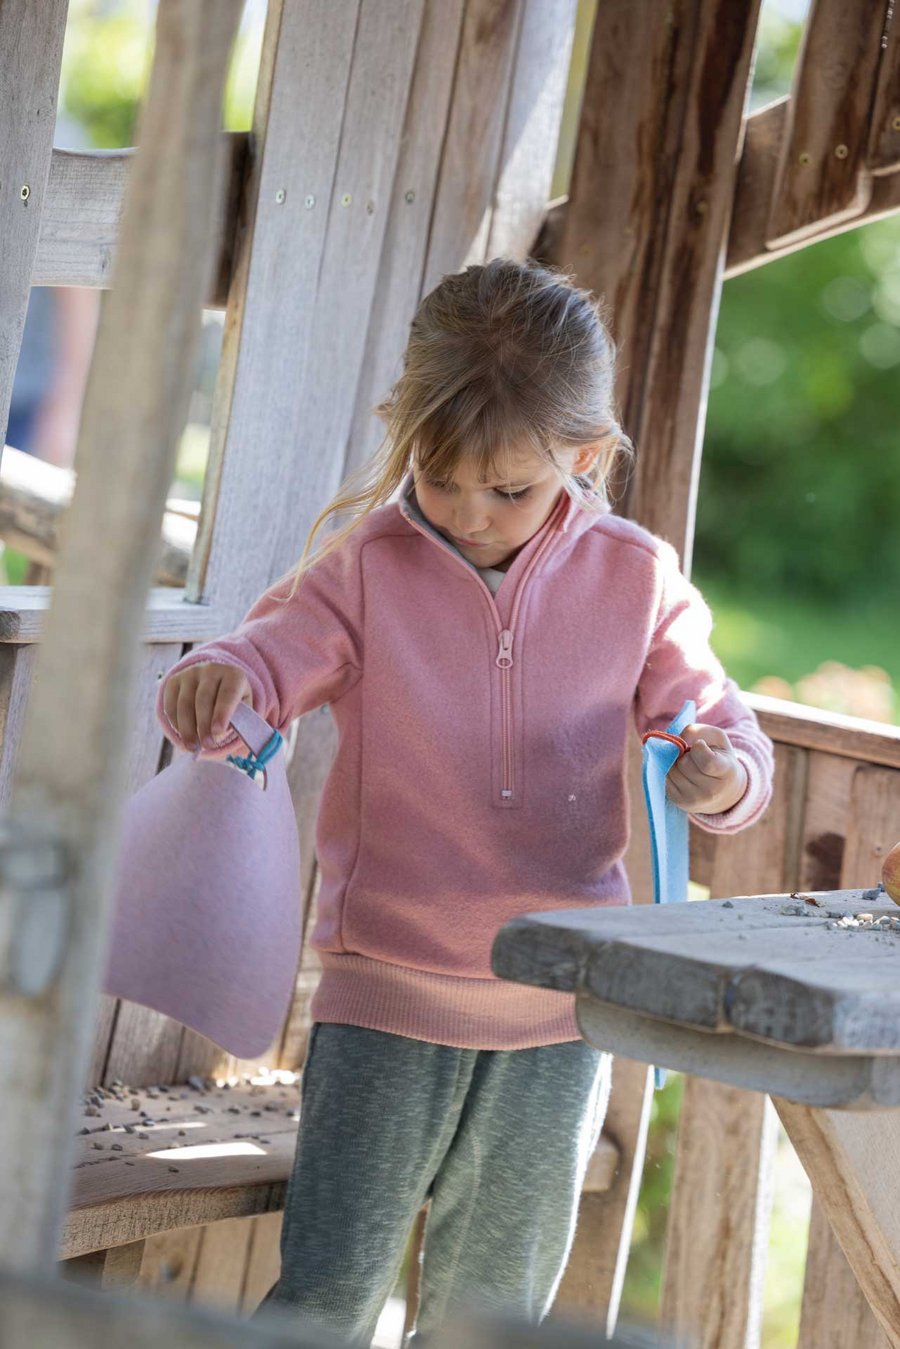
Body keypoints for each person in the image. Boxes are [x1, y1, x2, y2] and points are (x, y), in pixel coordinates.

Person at [156, 258, 775, 1345]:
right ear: (409, 437)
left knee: (490, 1318)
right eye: (443, 477)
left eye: (511, 488)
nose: (471, 512)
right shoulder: (363, 570)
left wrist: (719, 772)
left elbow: (721, 725)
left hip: (558, 1008)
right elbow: (256, 666)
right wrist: (217, 686)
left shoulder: (638, 579)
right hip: (384, 993)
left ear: (584, 458)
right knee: (327, 1297)